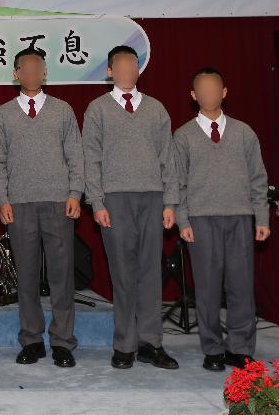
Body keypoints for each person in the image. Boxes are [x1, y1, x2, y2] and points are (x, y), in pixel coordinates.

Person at [82, 45, 179, 370]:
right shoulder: (97, 109)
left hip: (152, 197)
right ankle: (124, 345)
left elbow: (168, 158)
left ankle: (151, 342)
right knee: (122, 272)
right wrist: (96, 201)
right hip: (114, 199)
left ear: (138, 70)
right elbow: (90, 159)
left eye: (132, 65)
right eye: (120, 65)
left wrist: (170, 202)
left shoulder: (156, 109)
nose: (126, 70)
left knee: (151, 271)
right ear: (110, 71)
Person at [0, 47, 85, 369]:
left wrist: (75, 193)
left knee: (61, 276)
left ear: (45, 72)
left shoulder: (63, 110)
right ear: (16, 74)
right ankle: (31, 340)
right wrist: (3, 199)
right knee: (27, 277)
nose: (31, 72)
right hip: (19, 204)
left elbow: (76, 155)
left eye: (37, 67)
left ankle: (62, 342)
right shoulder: (3, 113)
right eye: (25, 67)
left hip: (59, 202)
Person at [174, 67, 270, 371]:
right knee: (207, 288)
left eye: (214, 89)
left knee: (241, 287)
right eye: (202, 90)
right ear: (193, 96)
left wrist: (262, 217)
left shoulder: (244, 132)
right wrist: (182, 220)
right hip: (201, 220)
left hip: (240, 218)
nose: (209, 94)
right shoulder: (183, 135)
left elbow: (258, 178)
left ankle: (240, 348)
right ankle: (213, 348)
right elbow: (177, 183)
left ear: (224, 92)